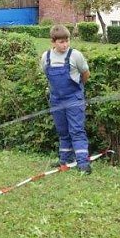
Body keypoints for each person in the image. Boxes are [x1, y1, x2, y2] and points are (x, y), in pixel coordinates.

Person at [40, 25, 92, 174]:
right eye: (61, 42)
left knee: (76, 130)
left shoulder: (75, 55)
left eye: (67, 41)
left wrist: (78, 90)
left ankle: (83, 163)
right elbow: (46, 74)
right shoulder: (46, 57)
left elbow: (86, 74)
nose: (65, 44)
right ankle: (65, 160)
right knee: (62, 131)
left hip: (74, 98)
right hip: (56, 100)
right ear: (53, 42)